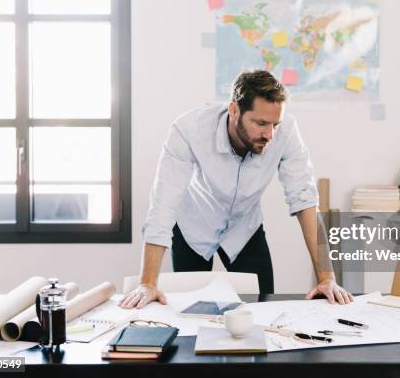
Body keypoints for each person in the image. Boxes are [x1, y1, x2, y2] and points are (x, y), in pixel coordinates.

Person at [119, 70, 353, 309]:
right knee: (189, 312)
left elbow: (305, 200)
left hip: (245, 228)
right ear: (234, 111)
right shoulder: (188, 130)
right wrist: (147, 283)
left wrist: (327, 278)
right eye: (261, 123)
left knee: (263, 309)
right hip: (193, 227)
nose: (269, 135)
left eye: (275, 124)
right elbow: (163, 205)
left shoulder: (286, 132)